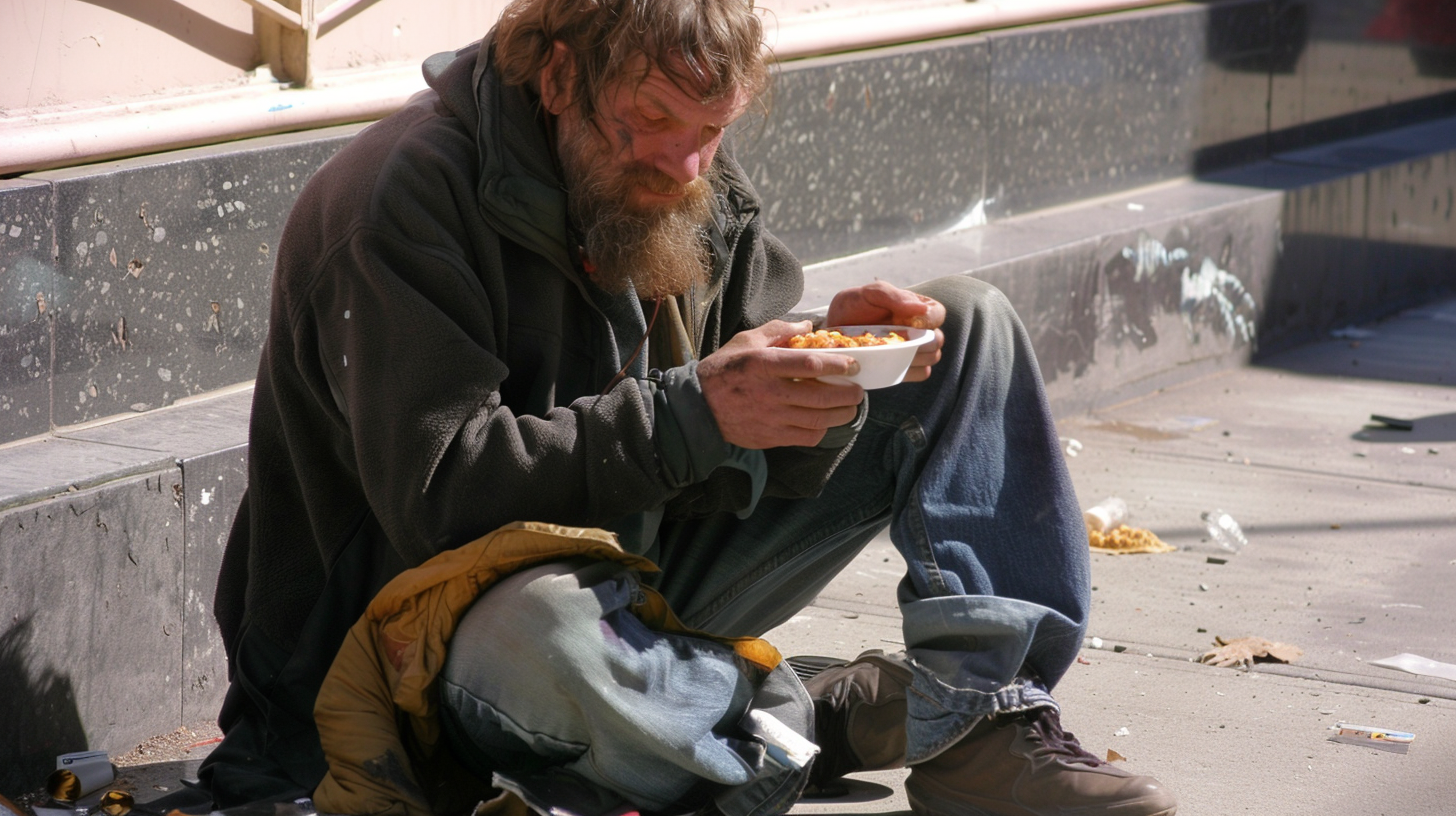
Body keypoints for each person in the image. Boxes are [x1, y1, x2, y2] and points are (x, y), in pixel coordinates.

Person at [201, 1, 1178, 815]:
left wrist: (821, 387)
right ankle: (808, 713)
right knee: (544, 629)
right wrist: (696, 412)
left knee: (965, 330)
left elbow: (751, 467)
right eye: (650, 120)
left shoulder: (696, 177)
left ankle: (978, 726)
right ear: (555, 79)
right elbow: (442, 499)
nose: (684, 165)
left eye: (714, 130)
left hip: (641, 576)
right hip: (423, 638)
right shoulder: (401, 195)